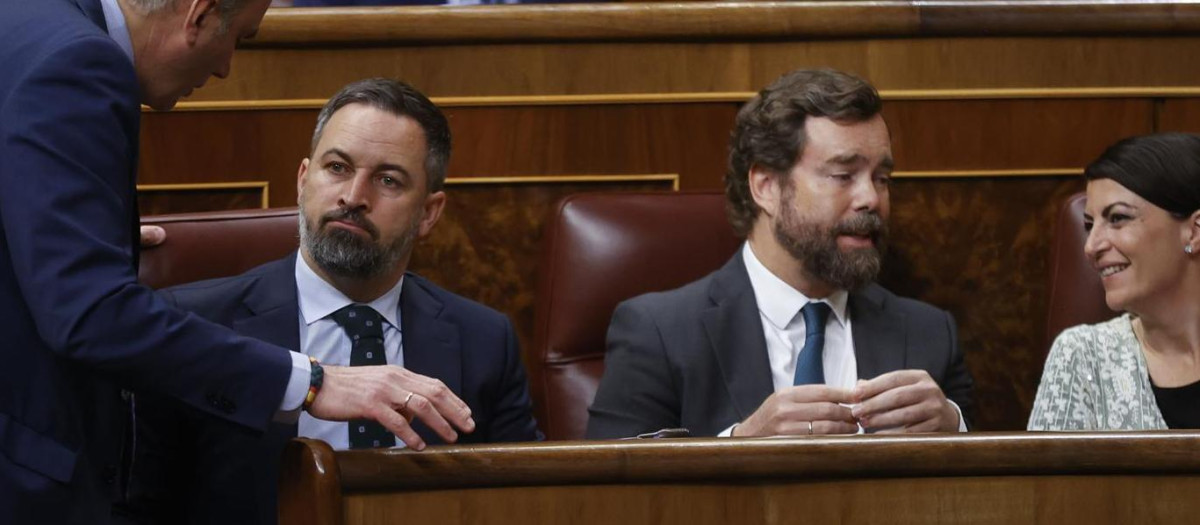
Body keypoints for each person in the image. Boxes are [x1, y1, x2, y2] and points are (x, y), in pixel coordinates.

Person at [0, 1, 471, 522]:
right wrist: (315, 383)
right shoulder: (80, 61)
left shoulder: (24, 18)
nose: (226, 66)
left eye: (388, 180)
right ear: (199, 13)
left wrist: (65, 230)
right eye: (240, 37)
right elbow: (89, 313)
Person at [120, 78, 543, 524]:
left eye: (388, 180)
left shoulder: (484, 341)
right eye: (337, 167)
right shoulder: (195, 323)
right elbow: (133, 507)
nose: (354, 197)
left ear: (428, 213)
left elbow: (529, 502)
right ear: (303, 180)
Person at [586, 69, 973, 439]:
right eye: (843, 175)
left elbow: (984, 477)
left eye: (881, 178)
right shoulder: (659, 333)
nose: (871, 198)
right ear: (766, 186)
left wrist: (954, 428)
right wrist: (739, 444)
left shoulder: (930, 334)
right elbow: (613, 481)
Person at [1029, 133, 1200, 431]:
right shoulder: (1082, 357)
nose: (1091, 246)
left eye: (1118, 218)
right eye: (1089, 225)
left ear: (1195, 231)